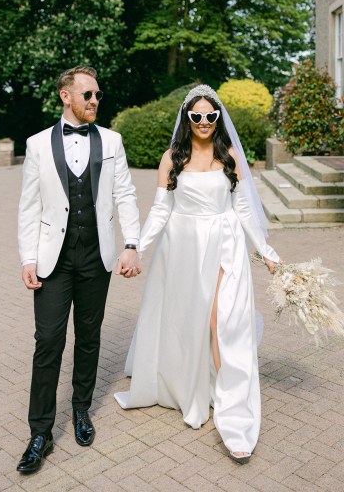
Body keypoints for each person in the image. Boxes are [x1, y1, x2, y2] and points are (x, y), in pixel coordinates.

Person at [114, 84, 280, 464]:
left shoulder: (230, 155)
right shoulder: (172, 157)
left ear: (218, 119)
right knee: (191, 323)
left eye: (211, 116)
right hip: (183, 248)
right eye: (196, 116)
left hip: (225, 246)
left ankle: (233, 414)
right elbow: (160, 210)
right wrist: (135, 245)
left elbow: (245, 212)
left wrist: (268, 254)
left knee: (223, 323)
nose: (204, 122)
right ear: (186, 119)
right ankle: (195, 384)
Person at [17, 65, 141, 474]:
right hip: (53, 260)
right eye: (87, 94)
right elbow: (29, 207)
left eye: (97, 95)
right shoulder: (37, 145)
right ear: (65, 96)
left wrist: (130, 244)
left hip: (97, 257)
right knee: (48, 341)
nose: (94, 101)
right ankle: (40, 433)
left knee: (88, 337)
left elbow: (125, 193)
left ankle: (82, 409)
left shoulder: (112, 140)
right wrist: (28, 257)